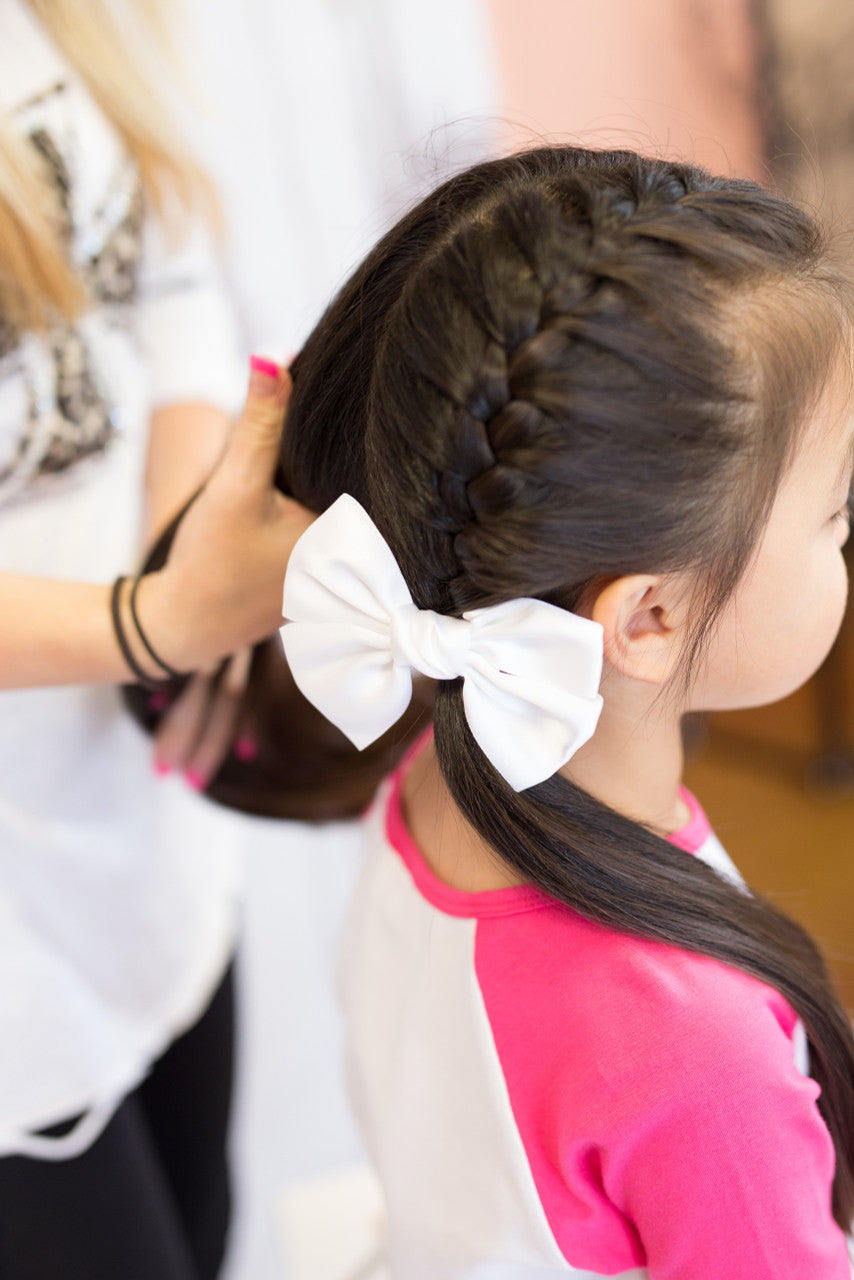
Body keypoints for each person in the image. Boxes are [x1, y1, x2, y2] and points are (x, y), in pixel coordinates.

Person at [276, 146, 854, 1277]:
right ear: (646, 618)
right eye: (835, 509)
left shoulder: (432, 773)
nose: (845, 536)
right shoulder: (698, 1044)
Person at [0, 2, 307, 1277]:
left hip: (138, 824)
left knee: (205, 1232)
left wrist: (182, 580)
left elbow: (170, 284)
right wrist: (151, 621)